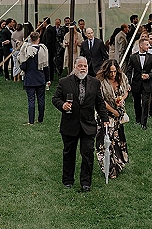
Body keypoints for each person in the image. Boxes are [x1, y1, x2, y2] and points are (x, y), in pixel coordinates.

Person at [52, 56, 109, 191]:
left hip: (88, 125)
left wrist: (105, 119)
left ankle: (86, 183)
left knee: (88, 154)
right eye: (80, 66)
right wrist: (63, 105)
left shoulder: (95, 83)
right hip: (69, 124)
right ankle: (67, 180)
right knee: (69, 153)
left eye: (85, 66)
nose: (83, 68)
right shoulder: (64, 82)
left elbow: (100, 103)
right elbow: (55, 98)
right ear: (75, 67)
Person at [95, 59, 130, 179]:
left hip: (118, 115)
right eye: (110, 72)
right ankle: (108, 168)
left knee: (117, 140)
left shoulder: (122, 78)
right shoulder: (101, 82)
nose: (113, 74)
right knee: (105, 141)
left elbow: (126, 91)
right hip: (105, 114)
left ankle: (118, 165)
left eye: (114, 72)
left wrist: (122, 99)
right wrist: (113, 111)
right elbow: (101, 101)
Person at [126, 37, 152, 129]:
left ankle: (144, 123)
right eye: (146, 44)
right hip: (136, 83)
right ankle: (138, 119)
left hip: (147, 83)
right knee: (137, 102)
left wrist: (149, 75)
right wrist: (128, 83)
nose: (148, 46)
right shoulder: (133, 57)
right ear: (141, 45)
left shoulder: (151, 57)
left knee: (145, 102)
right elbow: (129, 71)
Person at [19, 31, 51, 125]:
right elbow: (46, 66)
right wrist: (47, 79)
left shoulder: (26, 50)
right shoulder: (43, 50)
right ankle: (40, 119)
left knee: (31, 100)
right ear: (38, 39)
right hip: (40, 78)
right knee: (41, 100)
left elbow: (23, 66)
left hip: (30, 78)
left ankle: (31, 121)